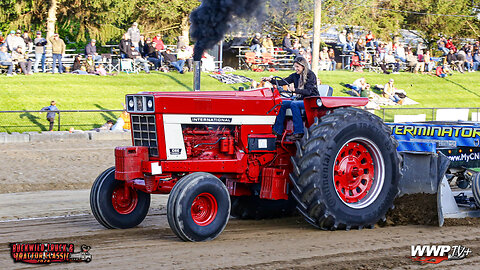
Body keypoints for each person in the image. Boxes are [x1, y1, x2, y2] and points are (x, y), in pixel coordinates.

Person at [263, 56, 319, 141]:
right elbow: (282, 81)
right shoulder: (295, 76)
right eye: (294, 66)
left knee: (294, 104)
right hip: (301, 99)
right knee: (282, 102)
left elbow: (308, 92)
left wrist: (295, 90)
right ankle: (277, 130)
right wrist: (270, 80)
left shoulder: (310, 75)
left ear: (303, 66)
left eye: (297, 67)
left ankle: (298, 132)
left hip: (310, 100)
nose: (295, 68)